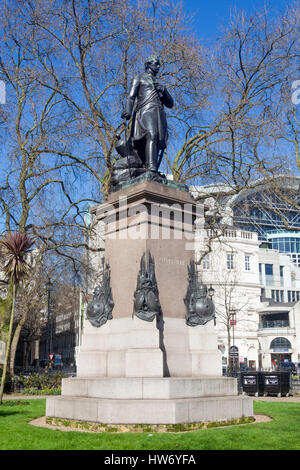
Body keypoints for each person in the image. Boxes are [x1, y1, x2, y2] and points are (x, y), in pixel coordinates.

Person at [121, 55, 174, 172]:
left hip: (159, 113)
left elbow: (171, 104)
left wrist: (164, 91)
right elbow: (131, 97)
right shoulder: (139, 77)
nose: (159, 66)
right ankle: (151, 167)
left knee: (159, 140)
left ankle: (150, 166)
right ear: (148, 64)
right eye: (156, 63)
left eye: (159, 64)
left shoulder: (160, 84)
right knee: (152, 134)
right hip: (145, 111)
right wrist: (128, 111)